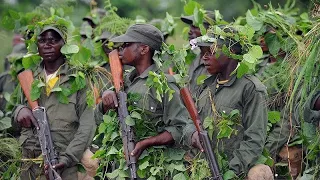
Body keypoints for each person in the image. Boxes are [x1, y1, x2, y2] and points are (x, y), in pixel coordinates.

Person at [94, 24, 197, 161]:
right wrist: (106, 100)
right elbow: (97, 118)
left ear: (144, 49)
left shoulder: (165, 85)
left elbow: (179, 129)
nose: (120, 50)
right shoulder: (125, 81)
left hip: (156, 164)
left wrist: (145, 143)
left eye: (127, 45)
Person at [12, 25, 96, 180]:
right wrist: (19, 111)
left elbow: (87, 125)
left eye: (53, 40)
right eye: (42, 40)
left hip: (66, 164)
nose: (47, 45)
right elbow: (14, 117)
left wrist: (68, 159)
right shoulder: (29, 78)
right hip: (31, 165)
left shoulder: (78, 80)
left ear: (64, 45)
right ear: (37, 46)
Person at [193, 30, 273, 179]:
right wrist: (192, 134)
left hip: (237, 169)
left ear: (230, 52)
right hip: (205, 168)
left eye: (210, 51)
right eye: (202, 52)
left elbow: (254, 139)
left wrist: (230, 172)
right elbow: (189, 121)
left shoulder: (251, 88)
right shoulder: (204, 87)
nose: (204, 57)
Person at [180, 10, 216, 95]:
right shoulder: (194, 58)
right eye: (190, 27)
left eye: (195, 27)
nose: (189, 31)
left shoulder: (217, 62)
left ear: (209, 31)